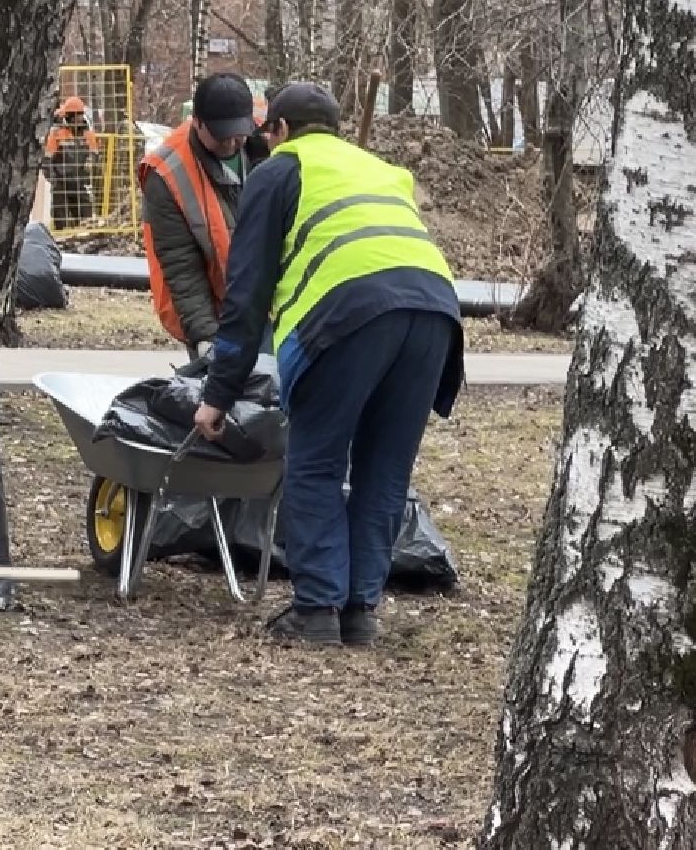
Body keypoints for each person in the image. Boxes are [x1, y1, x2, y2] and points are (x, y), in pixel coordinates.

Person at [191, 82, 463, 647]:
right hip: (436, 312)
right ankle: (360, 611)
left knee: (315, 464)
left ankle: (316, 611)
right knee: (384, 471)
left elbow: (245, 296)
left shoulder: (280, 170)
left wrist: (217, 395)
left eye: (268, 133)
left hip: (349, 314)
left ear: (282, 130)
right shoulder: (379, 170)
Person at [138, 74, 270, 358]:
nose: (233, 143)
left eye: (240, 133)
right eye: (222, 136)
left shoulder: (267, 141)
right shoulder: (167, 174)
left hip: (270, 304)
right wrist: (206, 335)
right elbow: (181, 266)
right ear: (197, 122)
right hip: (215, 312)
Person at [44, 96, 99, 228]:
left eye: (80, 114)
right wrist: (54, 180)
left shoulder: (88, 135)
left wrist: (87, 174)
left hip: (79, 183)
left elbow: (94, 157)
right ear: (69, 116)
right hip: (60, 183)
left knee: (86, 218)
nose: (79, 118)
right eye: (77, 115)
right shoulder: (57, 133)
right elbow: (47, 160)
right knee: (61, 222)